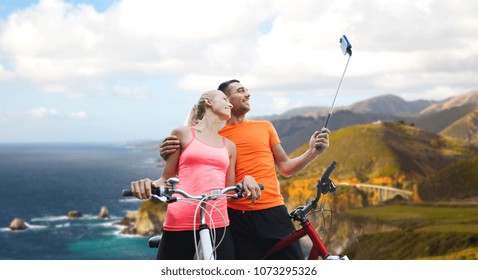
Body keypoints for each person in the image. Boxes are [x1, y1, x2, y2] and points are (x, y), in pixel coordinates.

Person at [160, 80, 330, 260]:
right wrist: (168, 152)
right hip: (234, 218)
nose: (248, 94)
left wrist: (312, 152)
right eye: (241, 91)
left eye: (247, 91)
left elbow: (286, 168)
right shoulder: (216, 139)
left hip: (273, 211)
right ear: (227, 99)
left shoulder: (265, 126)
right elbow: (193, 168)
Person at [130, 89, 260, 260]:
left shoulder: (229, 146)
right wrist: (147, 185)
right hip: (181, 219)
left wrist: (246, 180)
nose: (230, 104)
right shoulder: (182, 133)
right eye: (224, 99)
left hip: (218, 221)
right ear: (208, 102)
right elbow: (165, 179)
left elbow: (229, 191)